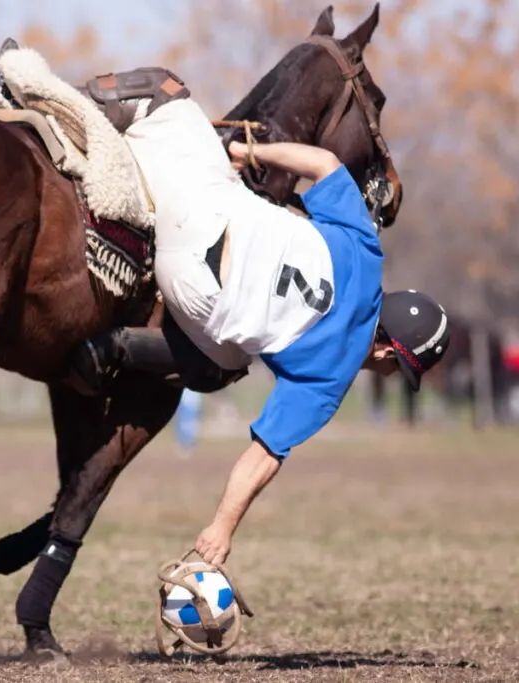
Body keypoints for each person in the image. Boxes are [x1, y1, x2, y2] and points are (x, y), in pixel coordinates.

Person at [66, 88, 452, 565]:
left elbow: (326, 163)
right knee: (224, 366)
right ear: (389, 352)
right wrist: (221, 528)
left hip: (197, 204)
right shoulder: (329, 382)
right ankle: (117, 348)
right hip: (190, 285)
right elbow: (262, 456)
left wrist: (249, 151)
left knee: (169, 101)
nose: (391, 377)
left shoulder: (368, 252)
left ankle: (67, 103)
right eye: (400, 371)